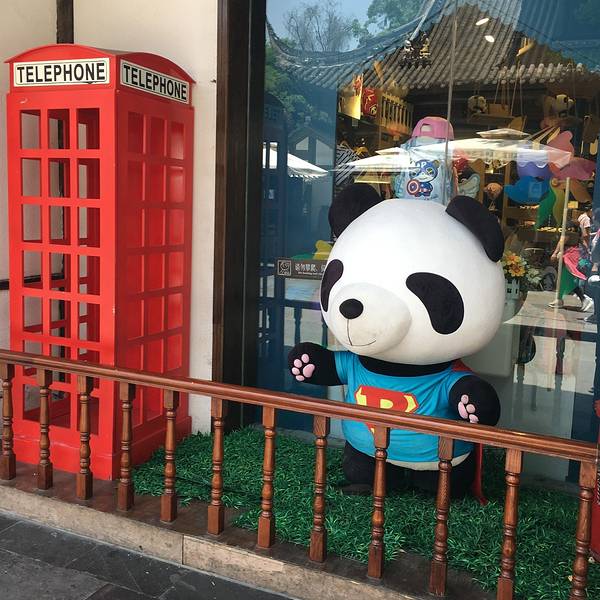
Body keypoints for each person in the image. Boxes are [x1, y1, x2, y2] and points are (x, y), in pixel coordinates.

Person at [548, 222, 593, 310]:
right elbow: (583, 242)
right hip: (574, 256)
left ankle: (583, 299)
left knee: (565, 279)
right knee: (564, 280)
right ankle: (559, 300)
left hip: (569, 257)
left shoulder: (569, 233)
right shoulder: (577, 234)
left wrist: (555, 253)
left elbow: (561, 242)